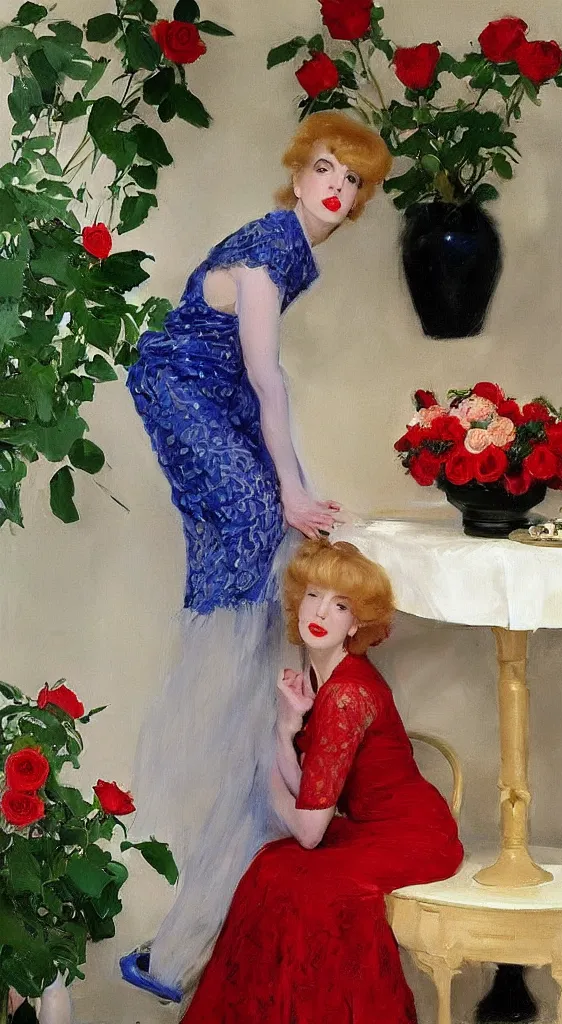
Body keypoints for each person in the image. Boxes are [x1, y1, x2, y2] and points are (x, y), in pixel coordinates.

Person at [120, 113, 392, 999]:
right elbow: (267, 378)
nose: (334, 190)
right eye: (323, 169)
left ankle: (257, 711)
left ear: (357, 202)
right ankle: (227, 660)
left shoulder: (297, 250)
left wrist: (300, 495)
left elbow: (266, 389)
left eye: (351, 183)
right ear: (297, 173)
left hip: (219, 388)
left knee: (284, 516)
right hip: (180, 381)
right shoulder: (272, 245)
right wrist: (285, 488)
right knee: (252, 509)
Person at [181, 539, 464, 1022]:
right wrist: (288, 728)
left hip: (412, 834)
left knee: (311, 890)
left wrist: (269, 777)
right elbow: (315, 792)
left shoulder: (346, 694)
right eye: (313, 595)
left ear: (356, 624)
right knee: (271, 871)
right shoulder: (322, 681)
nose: (320, 613)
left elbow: (310, 829)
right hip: (368, 828)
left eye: (340, 606)